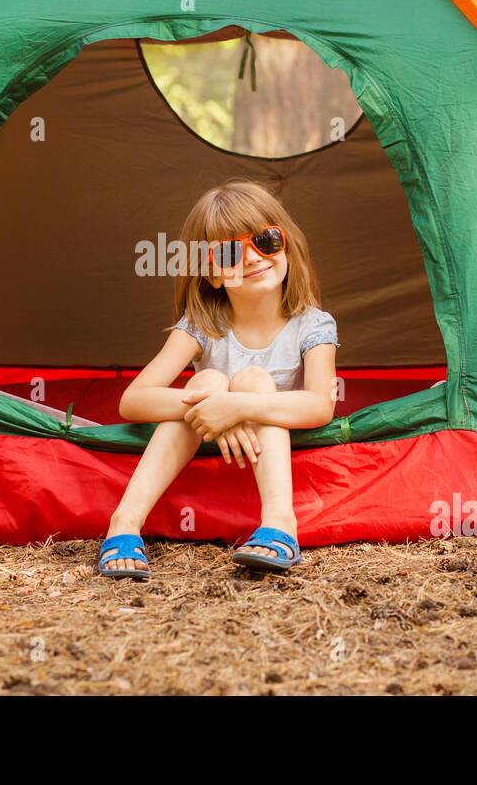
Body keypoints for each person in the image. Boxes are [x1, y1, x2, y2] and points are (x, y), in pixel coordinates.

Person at [98, 179, 339, 579]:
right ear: (210, 273)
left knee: (254, 380)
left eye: (265, 239)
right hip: (206, 437)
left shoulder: (312, 325)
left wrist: (238, 406)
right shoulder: (201, 325)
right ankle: (124, 522)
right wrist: (211, 404)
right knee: (207, 379)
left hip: (266, 443)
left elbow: (320, 405)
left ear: (286, 243)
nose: (252, 257)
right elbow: (133, 400)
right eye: (229, 252)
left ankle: (280, 522)